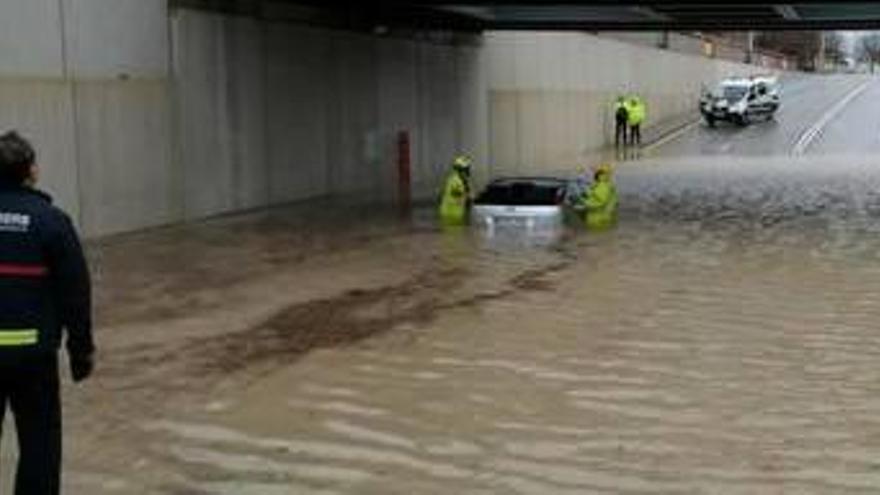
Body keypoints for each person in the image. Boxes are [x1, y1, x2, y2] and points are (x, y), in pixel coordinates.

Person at [0, 131, 94, 495]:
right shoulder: (51, 221)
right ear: (31, 172)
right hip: (33, 358)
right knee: (39, 444)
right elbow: (75, 292)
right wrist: (81, 350)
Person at [577, 163, 618, 231]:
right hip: (602, 217)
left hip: (599, 218)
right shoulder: (603, 184)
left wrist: (583, 201)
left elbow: (600, 202)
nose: (594, 175)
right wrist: (586, 194)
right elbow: (595, 195)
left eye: (597, 173)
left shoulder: (604, 186)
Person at [438, 155, 473, 226]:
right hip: (450, 214)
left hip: (457, 213)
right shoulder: (454, 180)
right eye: (467, 168)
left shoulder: (463, 180)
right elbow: (457, 195)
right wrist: (468, 197)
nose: (469, 170)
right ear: (461, 169)